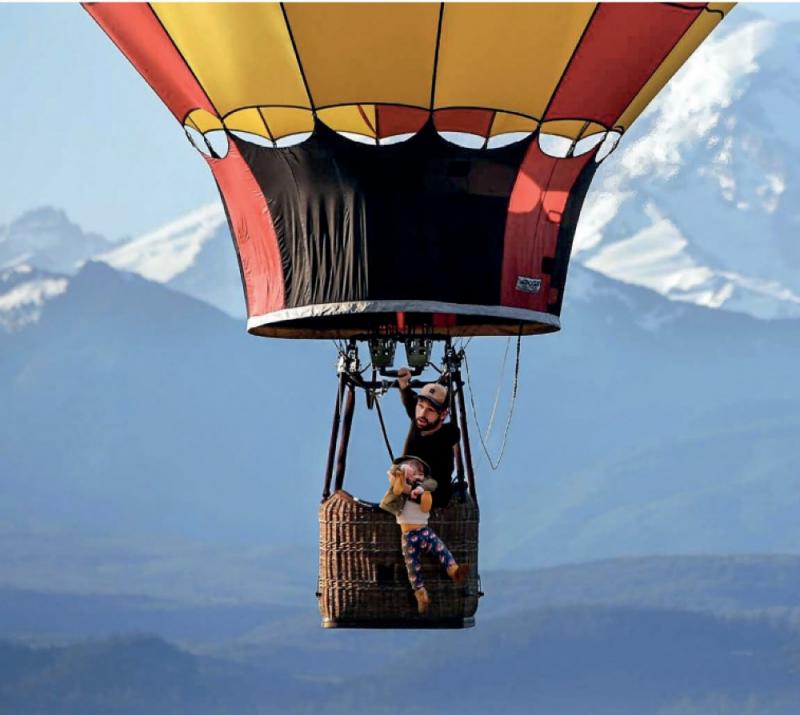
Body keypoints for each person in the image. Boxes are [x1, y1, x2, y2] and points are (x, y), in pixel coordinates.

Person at [381, 455, 466, 614]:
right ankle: (421, 594)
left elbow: (432, 484)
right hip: (408, 534)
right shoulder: (398, 489)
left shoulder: (423, 488)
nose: (416, 477)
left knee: (441, 549)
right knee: (413, 567)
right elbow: (394, 482)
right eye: (413, 473)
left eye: (419, 475)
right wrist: (401, 473)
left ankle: (454, 570)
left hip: (424, 530)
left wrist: (419, 488)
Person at [396, 367, 461, 509]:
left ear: (443, 415)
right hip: (408, 491)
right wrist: (403, 382)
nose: (422, 413)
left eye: (430, 410)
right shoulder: (420, 419)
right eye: (420, 406)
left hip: (433, 498)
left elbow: (438, 483)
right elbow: (409, 401)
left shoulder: (445, 437)